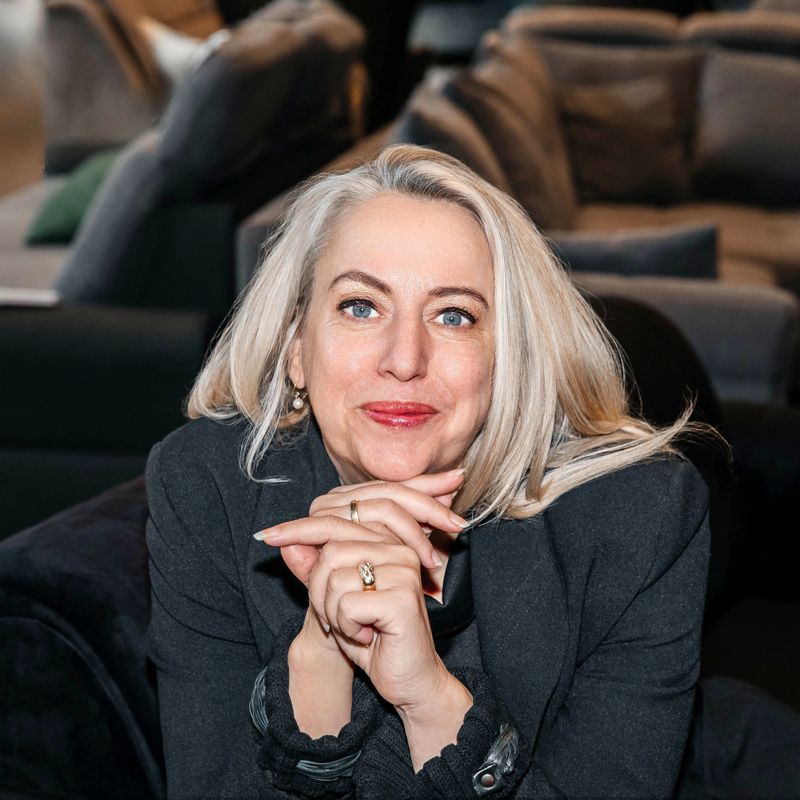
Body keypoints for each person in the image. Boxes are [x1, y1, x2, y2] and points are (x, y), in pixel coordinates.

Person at [145, 144, 711, 798]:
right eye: (361, 306)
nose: (405, 358)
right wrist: (320, 661)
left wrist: (429, 700)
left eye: (453, 315)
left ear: (509, 362)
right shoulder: (206, 485)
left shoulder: (638, 516)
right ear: (297, 349)